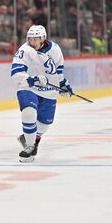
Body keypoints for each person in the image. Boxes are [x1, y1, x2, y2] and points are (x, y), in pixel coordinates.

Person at [11, 25, 74, 162]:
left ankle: (30, 138)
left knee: (44, 124)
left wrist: (63, 85)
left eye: (36, 39)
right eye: (30, 38)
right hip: (29, 88)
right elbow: (15, 73)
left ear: (43, 38)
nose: (32, 41)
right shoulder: (24, 51)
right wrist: (31, 80)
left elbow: (58, 72)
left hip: (49, 92)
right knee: (28, 112)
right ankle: (29, 146)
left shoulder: (55, 49)